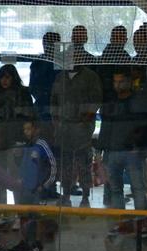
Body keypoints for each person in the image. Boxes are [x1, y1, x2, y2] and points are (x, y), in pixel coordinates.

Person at [99, 68, 147, 212]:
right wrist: (102, 151)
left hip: (132, 152)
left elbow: (145, 127)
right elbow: (105, 126)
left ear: (129, 82)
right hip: (113, 151)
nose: (118, 85)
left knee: (138, 189)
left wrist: (140, 148)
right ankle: (121, 221)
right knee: (116, 189)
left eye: (121, 81)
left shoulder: (139, 101)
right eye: (115, 82)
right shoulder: (111, 102)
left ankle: (141, 222)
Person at [50, 63, 102, 207]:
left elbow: (96, 100)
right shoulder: (60, 77)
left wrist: (85, 121)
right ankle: (65, 194)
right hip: (64, 128)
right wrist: (56, 121)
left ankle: (85, 197)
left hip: (82, 128)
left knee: (84, 164)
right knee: (65, 164)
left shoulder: (90, 77)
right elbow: (53, 101)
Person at [0, 64, 34, 204]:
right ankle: (3, 209)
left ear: (13, 78)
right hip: (1, 140)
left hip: (16, 139)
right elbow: (0, 118)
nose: (4, 81)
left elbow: (28, 117)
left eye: (7, 77)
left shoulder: (23, 93)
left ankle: (17, 208)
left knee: (15, 175)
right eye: (2, 77)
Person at [14, 120, 57, 251]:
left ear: (36, 130)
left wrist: (44, 186)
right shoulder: (26, 146)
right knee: (22, 216)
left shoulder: (42, 145)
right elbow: (23, 167)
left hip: (37, 190)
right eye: (24, 129)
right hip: (24, 189)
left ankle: (38, 243)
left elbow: (53, 166)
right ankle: (23, 242)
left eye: (28, 129)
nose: (26, 132)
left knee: (37, 218)